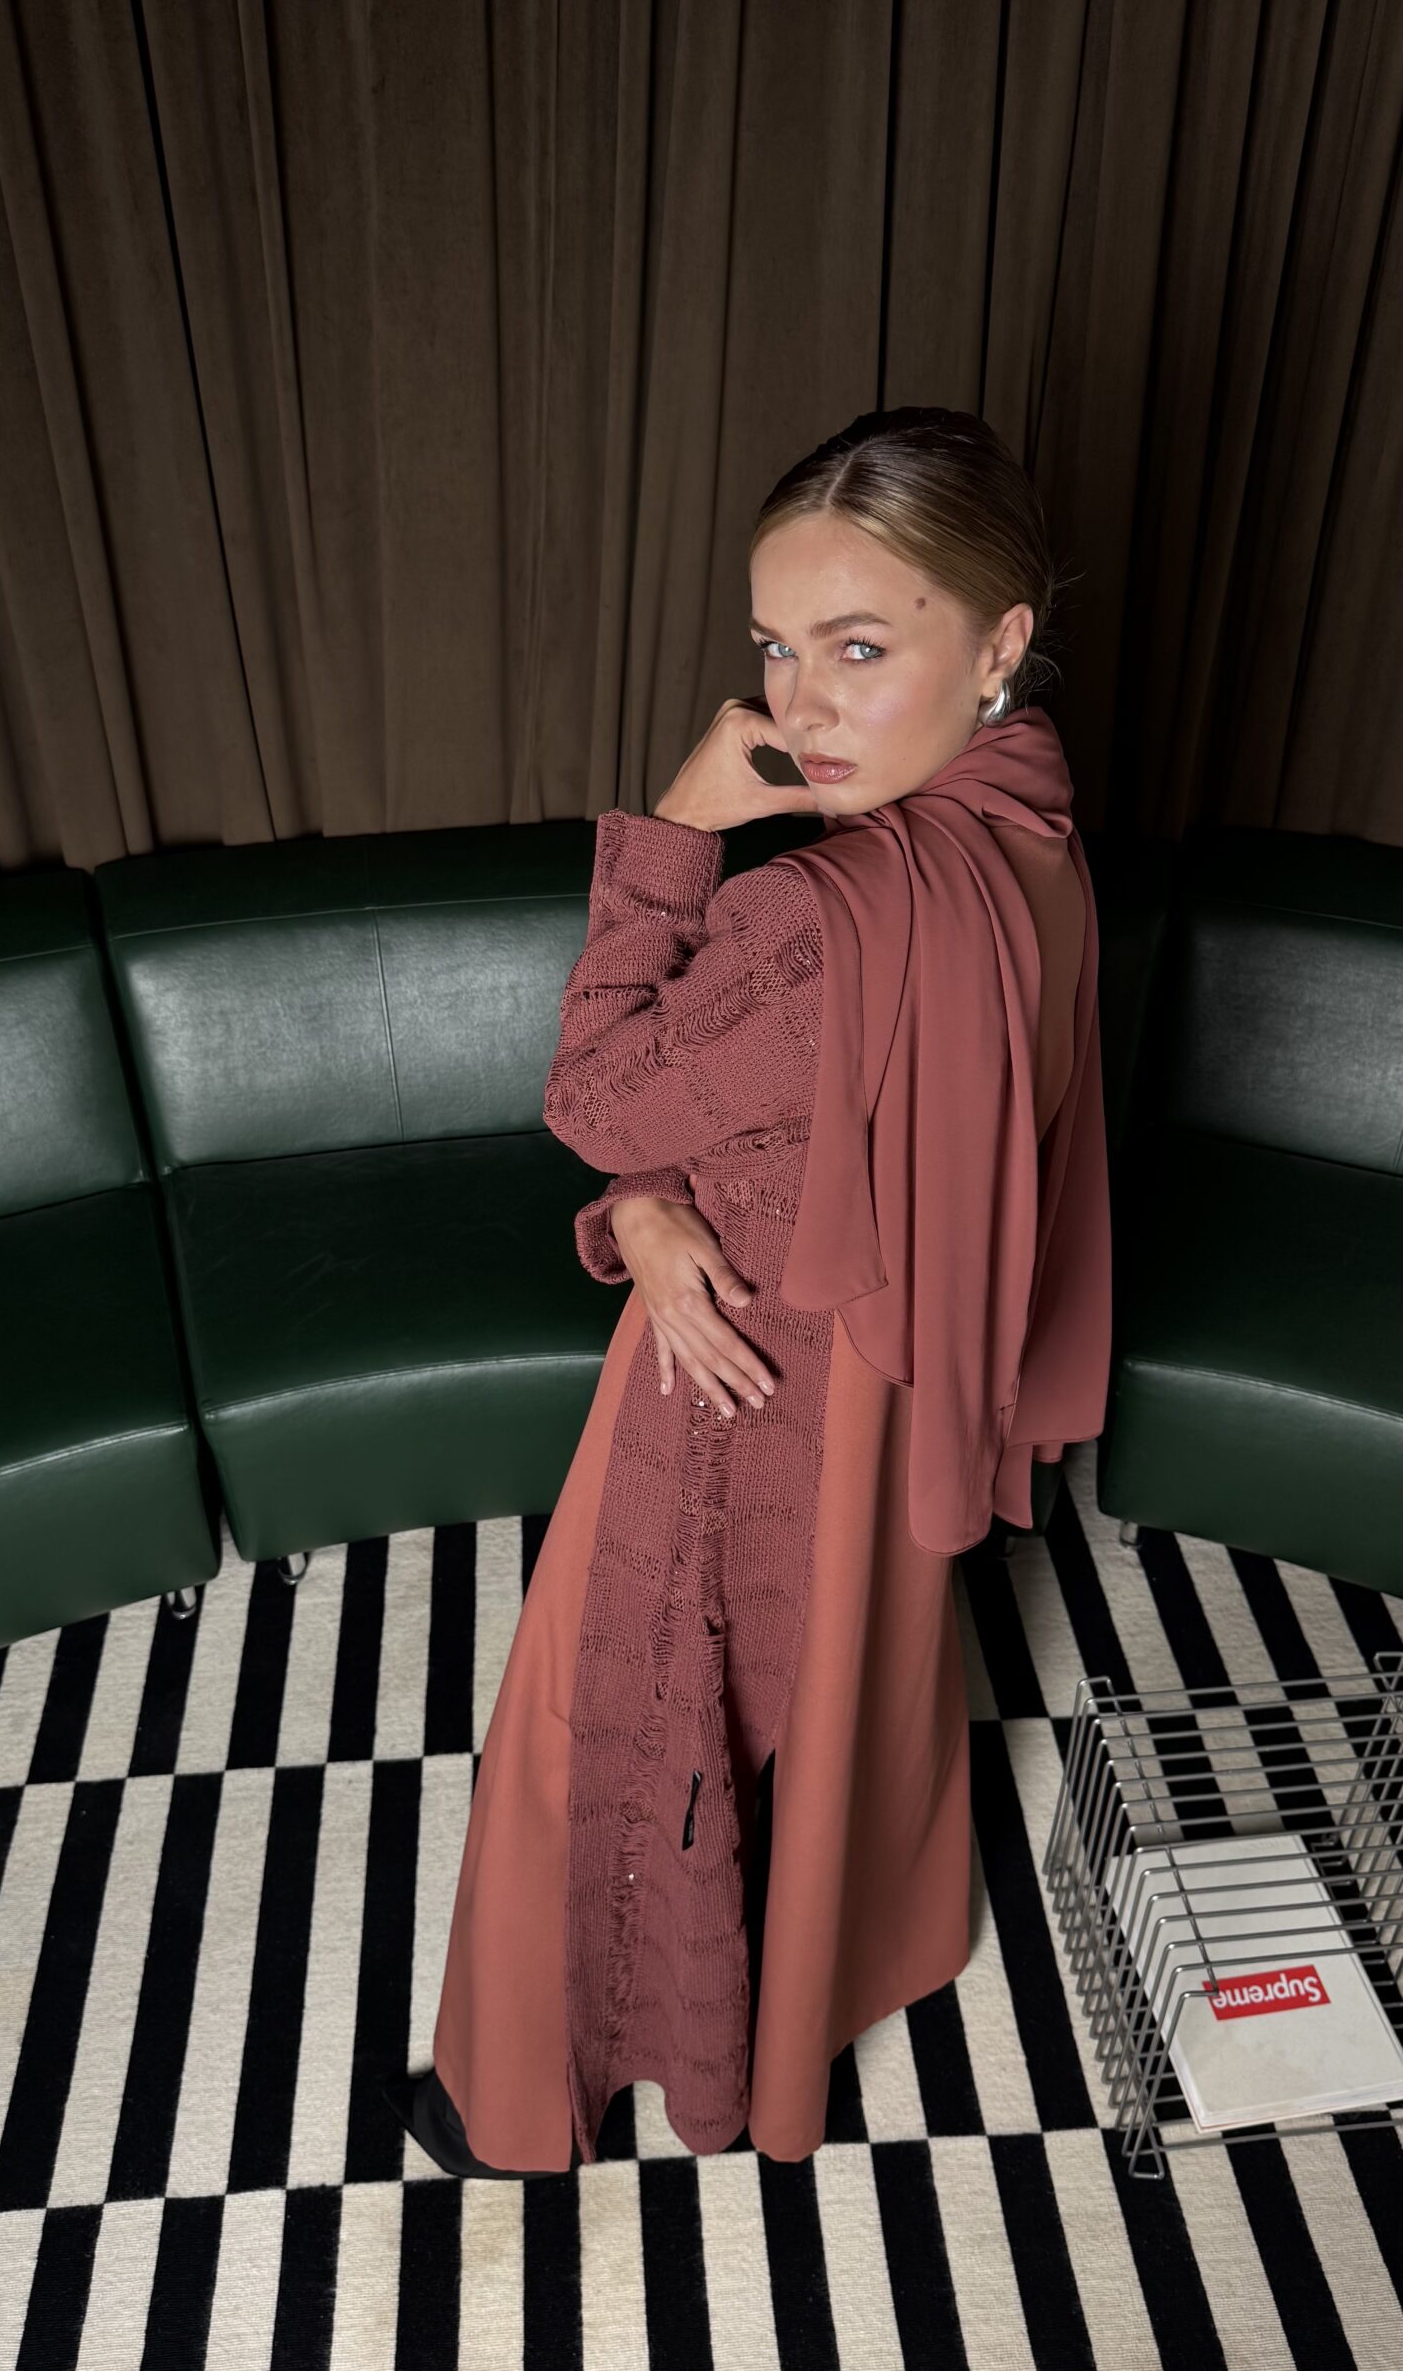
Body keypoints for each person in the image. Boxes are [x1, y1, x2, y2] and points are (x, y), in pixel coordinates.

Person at [382, 404, 1112, 2179]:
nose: (801, 707)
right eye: (779, 649)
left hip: (737, 1387)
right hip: (889, 1389)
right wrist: (647, 1208)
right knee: (830, 1699)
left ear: (999, 641)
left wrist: (675, 829)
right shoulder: (1031, 832)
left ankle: (520, 2095)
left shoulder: (816, 918)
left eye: (861, 649)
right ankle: (813, 1989)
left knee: (601, 1721)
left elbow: (594, 1096)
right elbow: (752, 1127)